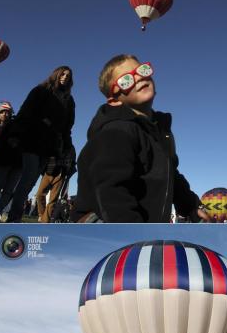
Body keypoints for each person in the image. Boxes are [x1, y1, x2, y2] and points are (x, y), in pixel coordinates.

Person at [73, 55, 208, 223]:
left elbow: (170, 174)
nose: (138, 78)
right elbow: (111, 192)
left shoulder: (160, 132)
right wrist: (133, 233)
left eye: (142, 71)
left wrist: (190, 205)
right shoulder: (116, 131)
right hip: (107, 224)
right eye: (126, 80)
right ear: (114, 100)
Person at [0, 66, 75, 221]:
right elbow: (25, 112)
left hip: (50, 146)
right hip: (33, 140)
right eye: (62, 74)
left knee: (30, 183)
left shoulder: (69, 101)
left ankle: (9, 216)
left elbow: (68, 127)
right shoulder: (41, 91)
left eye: (68, 76)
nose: (65, 77)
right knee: (26, 178)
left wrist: (66, 146)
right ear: (56, 74)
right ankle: (12, 217)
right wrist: (16, 134)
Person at [36, 142, 76, 222]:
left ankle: (44, 222)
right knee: (39, 194)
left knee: (52, 201)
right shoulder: (55, 141)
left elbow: (73, 162)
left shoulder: (71, 148)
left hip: (60, 174)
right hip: (49, 172)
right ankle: (42, 215)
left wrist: (67, 173)